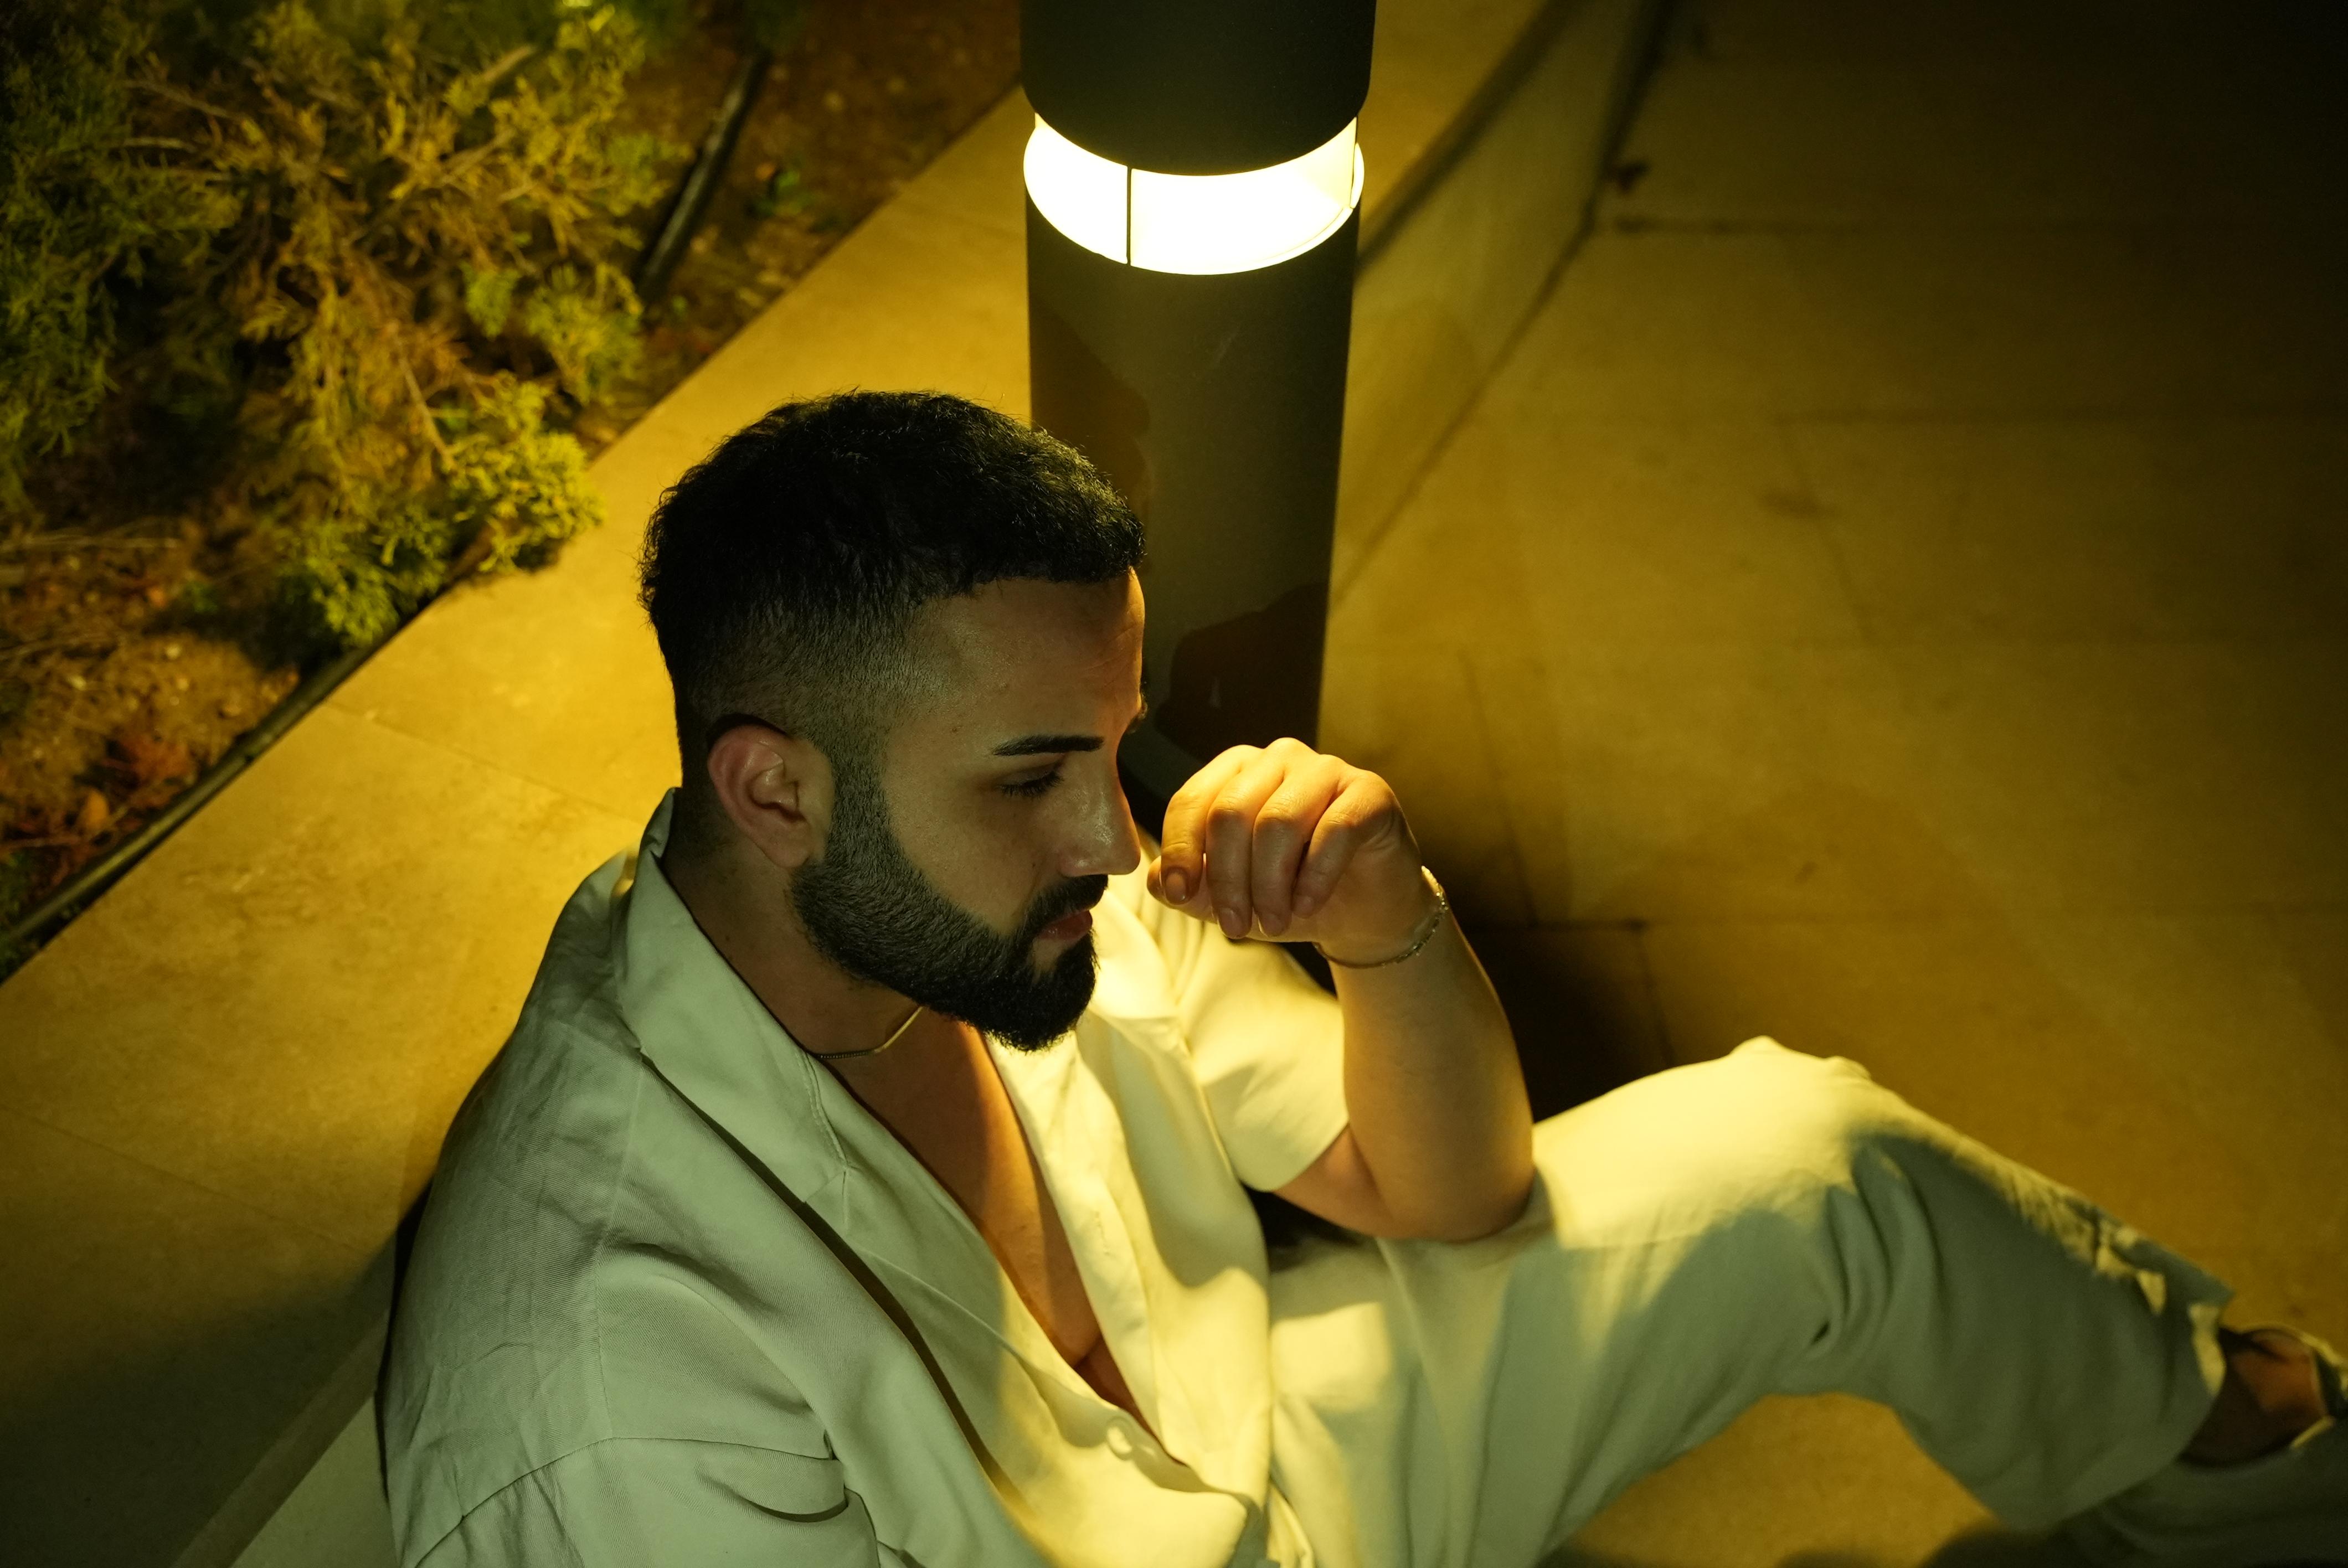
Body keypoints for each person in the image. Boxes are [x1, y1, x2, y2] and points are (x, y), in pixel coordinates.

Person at [379, 391, 2344, 1568]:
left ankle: (2248, 1452)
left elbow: (1451, 1192)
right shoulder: (609, 1374)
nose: (1112, 836)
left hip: (1279, 1460)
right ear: (775, 788)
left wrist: (1389, 924)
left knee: (1809, 1161)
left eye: (1112, 747)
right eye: (1032, 773)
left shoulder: (1001, 908)